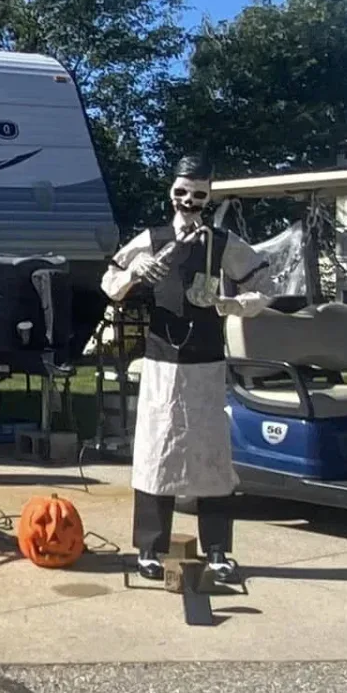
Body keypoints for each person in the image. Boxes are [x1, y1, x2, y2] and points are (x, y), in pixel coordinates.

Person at [101, 156, 270, 586]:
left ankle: (217, 549)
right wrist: (137, 272)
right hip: (160, 363)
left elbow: (262, 283)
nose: (189, 202)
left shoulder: (222, 242)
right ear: (171, 193)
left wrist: (233, 304)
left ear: (209, 196)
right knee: (156, 452)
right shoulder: (154, 238)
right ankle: (148, 548)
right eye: (182, 192)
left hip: (207, 362)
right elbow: (111, 282)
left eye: (199, 194)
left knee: (212, 455)